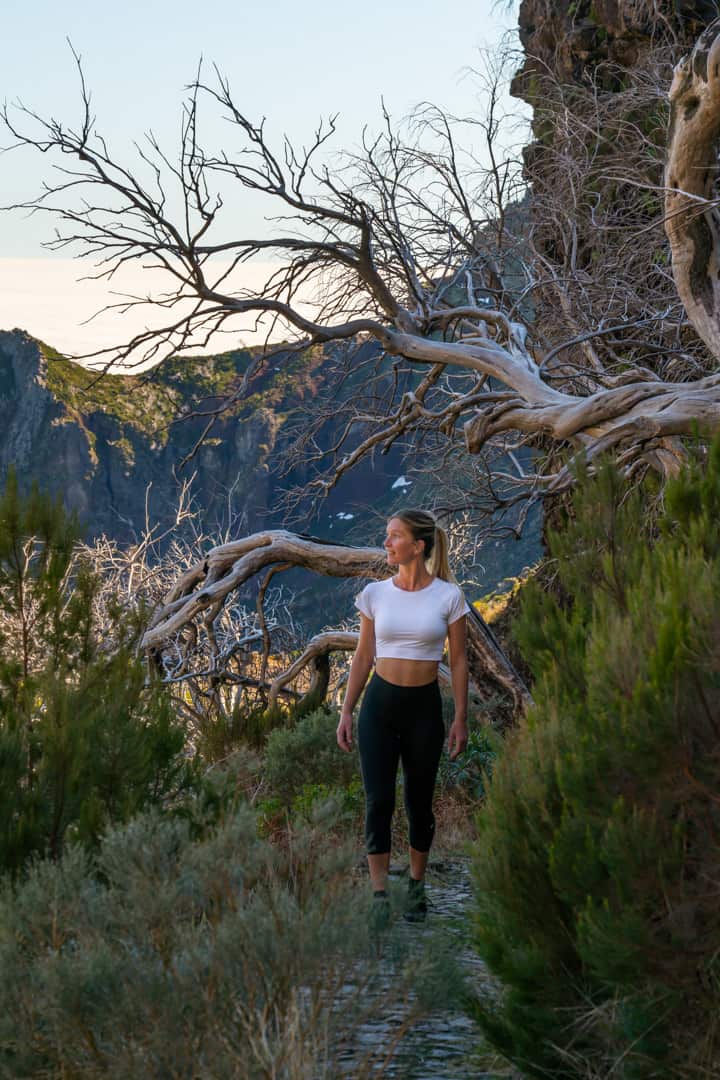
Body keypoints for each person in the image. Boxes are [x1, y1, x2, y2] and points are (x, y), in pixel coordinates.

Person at [337, 509, 470, 923]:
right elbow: (362, 656)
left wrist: (461, 717)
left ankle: (415, 887)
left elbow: (461, 661)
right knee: (378, 799)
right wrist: (346, 710)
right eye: (387, 536)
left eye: (394, 537)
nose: (387, 543)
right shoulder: (375, 594)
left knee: (419, 803)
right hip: (378, 705)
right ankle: (379, 895)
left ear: (419, 546)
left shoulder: (449, 596)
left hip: (424, 709)